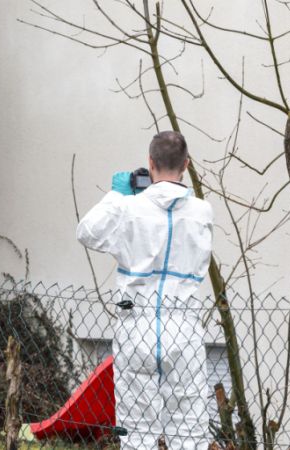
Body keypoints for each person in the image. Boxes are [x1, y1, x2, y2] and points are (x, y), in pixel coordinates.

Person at [76, 131, 213, 449]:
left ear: (150, 163)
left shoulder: (129, 208)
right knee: (189, 427)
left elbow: (87, 232)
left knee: (136, 429)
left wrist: (116, 196)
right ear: (187, 165)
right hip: (184, 326)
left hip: (136, 325)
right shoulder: (203, 213)